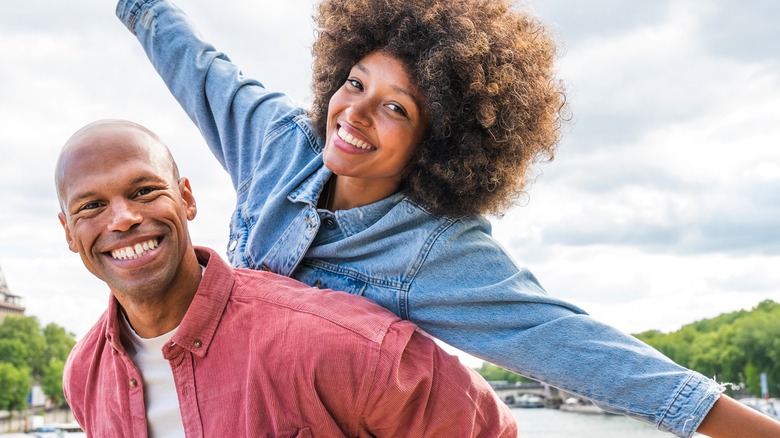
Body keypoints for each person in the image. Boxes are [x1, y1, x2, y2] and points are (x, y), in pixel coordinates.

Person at [113, 0, 780, 436]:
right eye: (356, 84)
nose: (355, 115)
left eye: (396, 109)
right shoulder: (276, 141)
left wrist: (741, 425)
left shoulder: (435, 250)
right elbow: (196, 66)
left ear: (439, 141)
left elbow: (574, 345)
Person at [55, 119, 518, 437]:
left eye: (144, 191)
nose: (123, 218)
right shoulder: (84, 375)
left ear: (186, 200)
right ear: (69, 234)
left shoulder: (336, 341)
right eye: (91, 206)